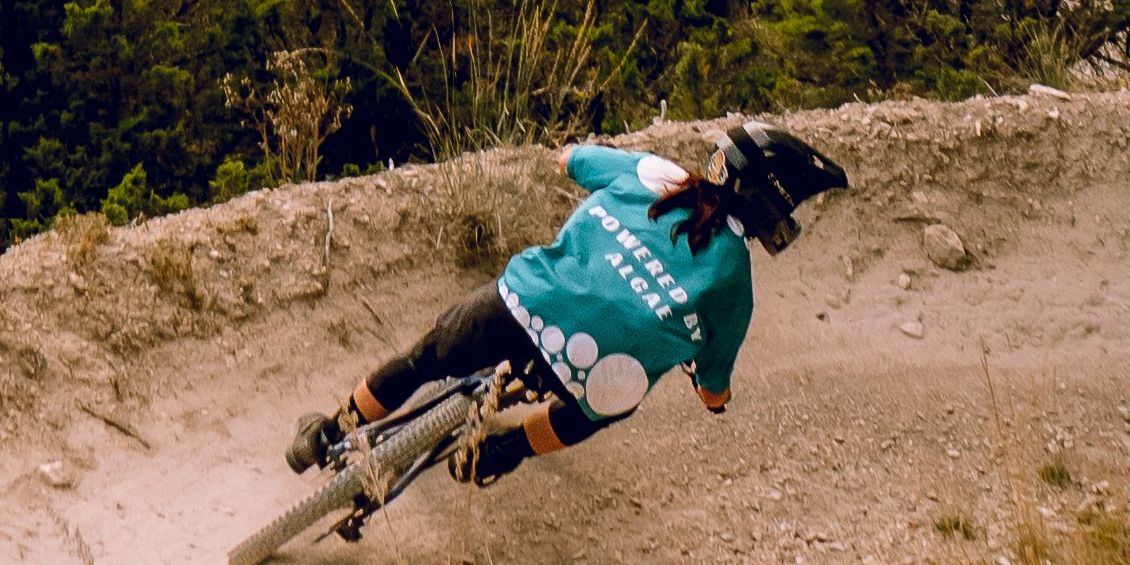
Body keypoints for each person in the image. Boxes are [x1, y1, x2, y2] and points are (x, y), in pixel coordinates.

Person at [286, 121, 851, 502]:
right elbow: (713, 383)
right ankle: (498, 454)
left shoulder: (658, 175)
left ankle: (328, 432)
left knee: (426, 359)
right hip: (590, 370)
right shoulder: (734, 281)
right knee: (607, 401)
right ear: (771, 204)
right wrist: (714, 397)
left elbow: (569, 159)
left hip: (526, 302)